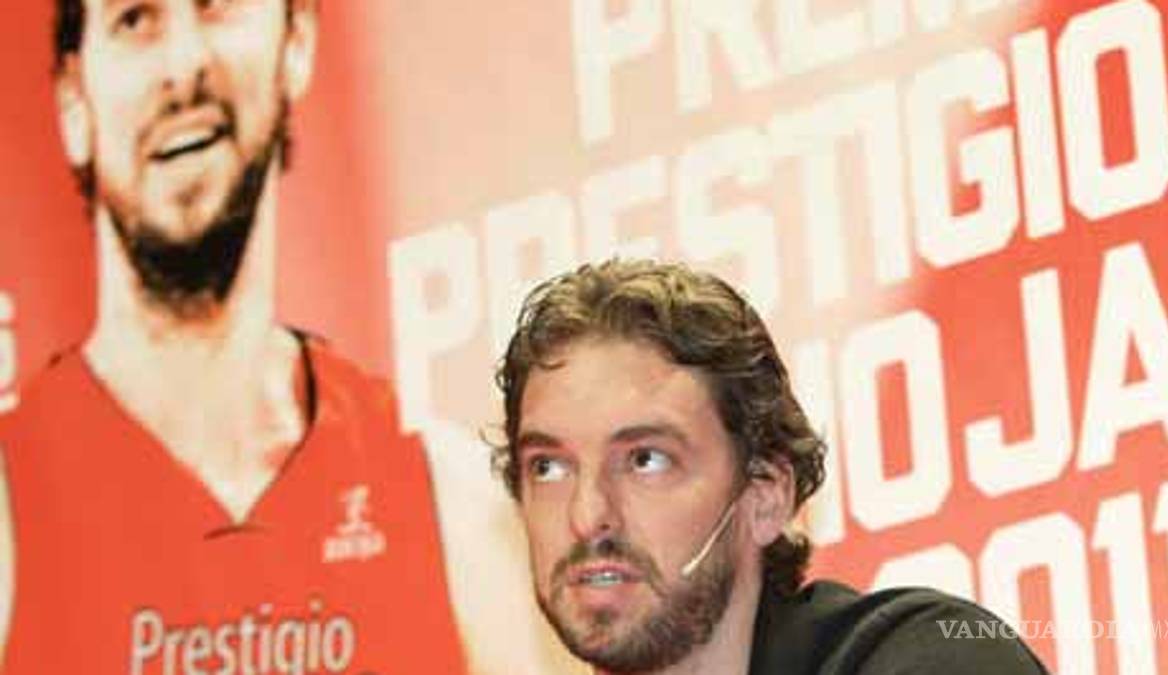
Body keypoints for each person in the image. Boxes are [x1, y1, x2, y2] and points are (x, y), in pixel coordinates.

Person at [0, 1, 465, 672]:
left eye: (218, 5)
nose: (184, 63)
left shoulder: (444, 498)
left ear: (296, 40)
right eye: (135, 20)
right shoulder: (14, 510)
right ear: (74, 101)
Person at [492, 259, 1049, 675]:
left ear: (765, 495)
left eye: (645, 460)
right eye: (549, 468)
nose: (587, 514)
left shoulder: (927, 659)